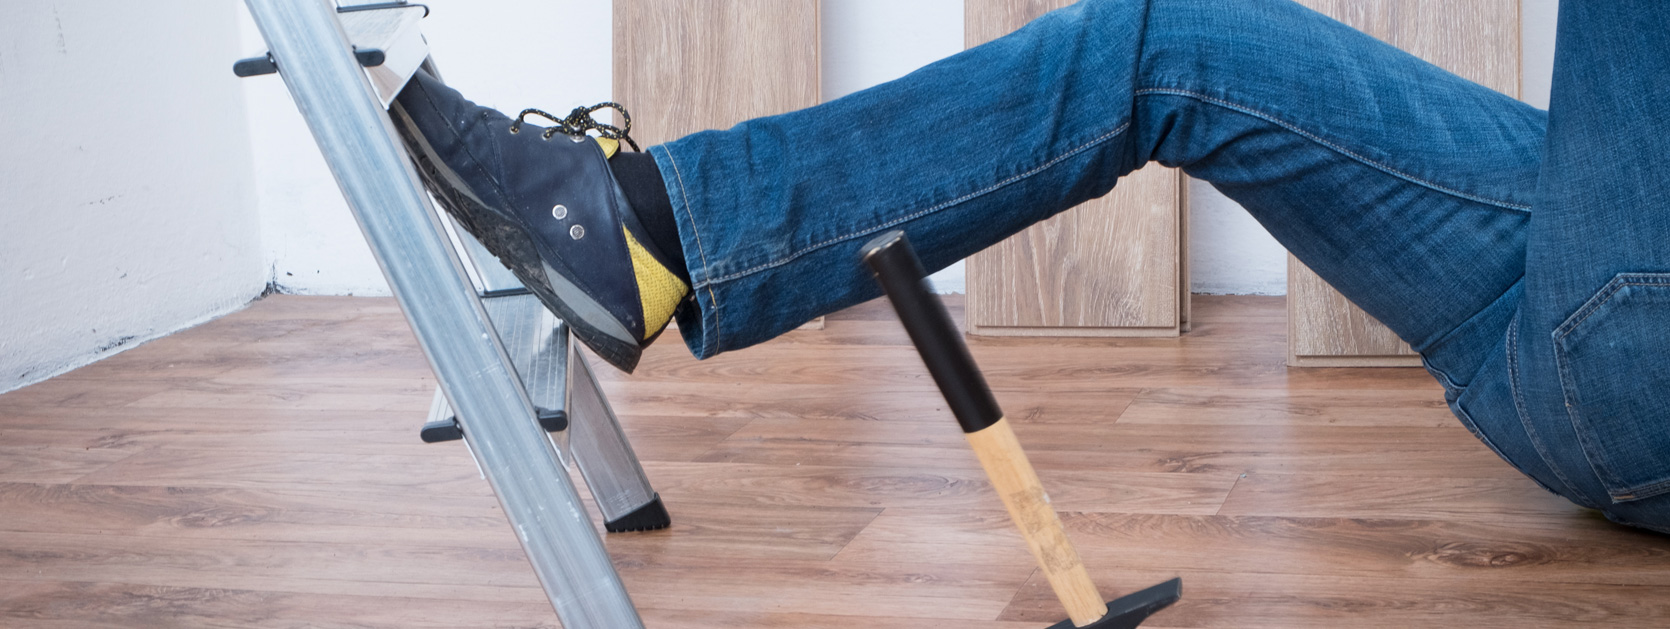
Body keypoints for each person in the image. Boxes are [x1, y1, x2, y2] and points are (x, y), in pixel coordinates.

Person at [387, 0, 1670, 533]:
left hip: (1633, 349)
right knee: (1167, 42)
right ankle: (641, 233)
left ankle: (641, 231)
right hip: (1598, 304)